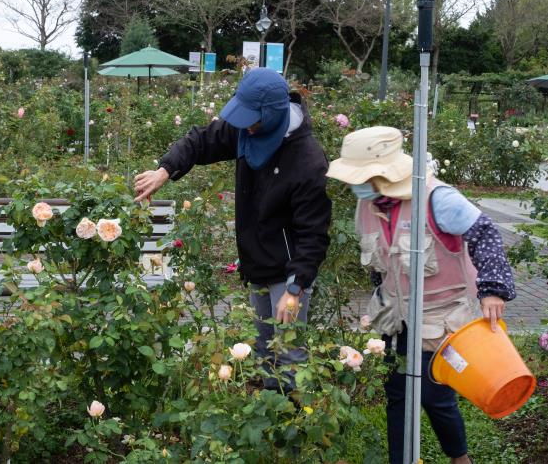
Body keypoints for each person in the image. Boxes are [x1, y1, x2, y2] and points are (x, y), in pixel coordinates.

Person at [133, 68, 332, 392]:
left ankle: (294, 432)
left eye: (251, 119)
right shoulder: (247, 131)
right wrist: (165, 169)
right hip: (257, 262)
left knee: (290, 356)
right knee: (265, 353)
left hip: (289, 270)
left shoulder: (307, 160)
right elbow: (201, 140)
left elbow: (314, 233)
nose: (243, 126)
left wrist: (295, 289)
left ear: (271, 115)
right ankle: (270, 422)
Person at [326, 126, 516, 464]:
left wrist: (493, 291)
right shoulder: (367, 205)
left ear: (380, 174)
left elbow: (486, 233)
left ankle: (460, 459)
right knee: (397, 393)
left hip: (440, 318)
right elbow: (380, 262)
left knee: (434, 394)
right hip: (395, 319)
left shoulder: (435, 198)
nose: (352, 184)